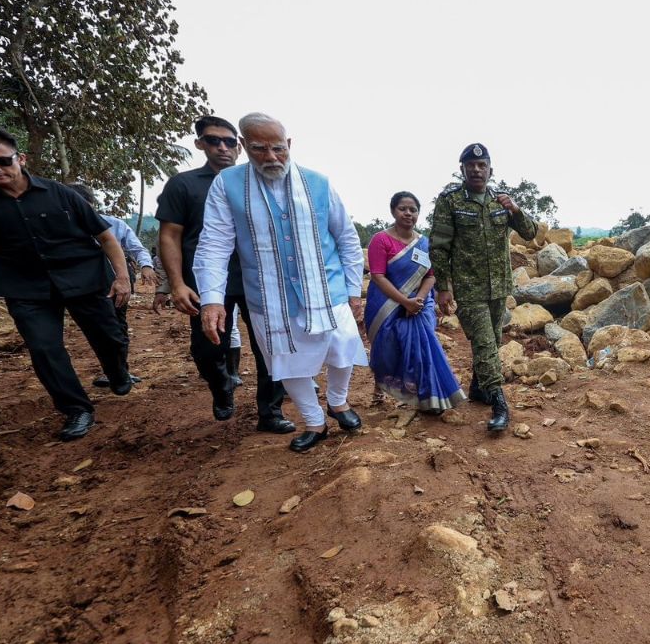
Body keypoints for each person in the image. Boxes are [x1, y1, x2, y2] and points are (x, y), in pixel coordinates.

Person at [0, 124, 133, 440]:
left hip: (83, 277)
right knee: (44, 348)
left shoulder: (62, 194)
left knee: (110, 337)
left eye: (2, 160)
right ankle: (76, 409)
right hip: (24, 286)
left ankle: (117, 372)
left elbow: (105, 236)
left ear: (22, 159)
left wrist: (122, 278)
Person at [194, 113, 368, 453]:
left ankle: (338, 401)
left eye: (278, 148)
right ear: (245, 146)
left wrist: (352, 290)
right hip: (270, 297)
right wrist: (212, 299)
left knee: (343, 346)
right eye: (259, 149)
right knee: (287, 360)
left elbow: (346, 238)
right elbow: (214, 243)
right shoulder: (228, 185)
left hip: (327, 289)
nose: (271, 157)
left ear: (288, 145)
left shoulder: (318, 183)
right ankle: (314, 422)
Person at [155, 116, 293, 432]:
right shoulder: (184, 185)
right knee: (206, 349)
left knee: (271, 347)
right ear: (200, 143)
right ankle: (222, 387)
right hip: (209, 284)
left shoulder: (261, 183)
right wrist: (175, 283)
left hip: (258, 279)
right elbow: (170, 236)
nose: (222, 147)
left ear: (239, 146)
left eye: (229, 141)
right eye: (213, 140)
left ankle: (270, 412)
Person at [430, 143, 537, 433]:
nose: (477, 170)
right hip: (468, 289)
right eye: (471, 166)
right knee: (486, 344)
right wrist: (442, 287)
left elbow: (530, 233)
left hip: (498, 287)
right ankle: (500, 404)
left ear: (490, 169)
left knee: (491, 340)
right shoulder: (450, 201)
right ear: (462, 169)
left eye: (482, 165)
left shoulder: (499, 201)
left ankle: (478, 388)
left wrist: (515, 209)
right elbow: (439, 248)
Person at [365, 192, 467, 413]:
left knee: (422, 346)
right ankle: (380, 386)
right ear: (393, 211)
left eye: (413, 209)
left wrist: (417, 300)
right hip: (386, 305)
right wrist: (404, 302)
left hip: (419, 305)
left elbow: (431, 275)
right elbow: (378, 276)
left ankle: (429, 397)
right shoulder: (380, 240)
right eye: (403, 208)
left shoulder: (423, 243)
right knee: (387, 350)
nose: (408, 213)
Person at [70, 182, 160, 387]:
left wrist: (146, 266)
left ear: (90, 205)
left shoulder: (114, 224)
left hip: (115, 283)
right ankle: (113, 371)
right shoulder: (62, 229)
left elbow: (137, 249)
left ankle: (120, 372)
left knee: (117, 325)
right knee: (96, 329)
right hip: (81, 286)